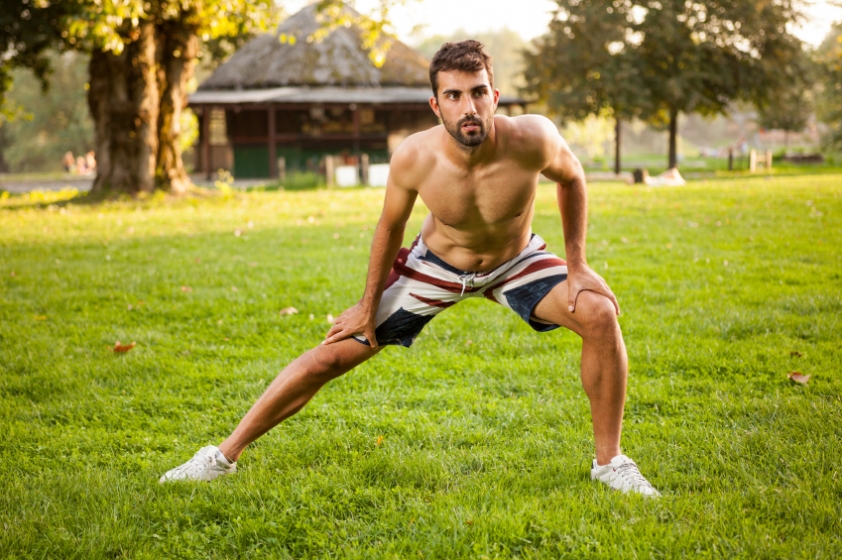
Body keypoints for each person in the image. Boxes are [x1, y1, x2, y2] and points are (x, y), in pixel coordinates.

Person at [160, 40, 660, 496]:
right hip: (436, 266)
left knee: (599, 313)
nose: (469, 107)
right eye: (454, 96)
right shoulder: (415, 157)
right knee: (330, 357)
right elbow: (390, 227)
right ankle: (221, 456)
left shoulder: (534, 138)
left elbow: (572, 178)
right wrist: (365, 306)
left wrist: (578, 265)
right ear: (436, 105)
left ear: (495, 96)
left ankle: (610, 463)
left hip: (514, 260)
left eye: (478, 93)